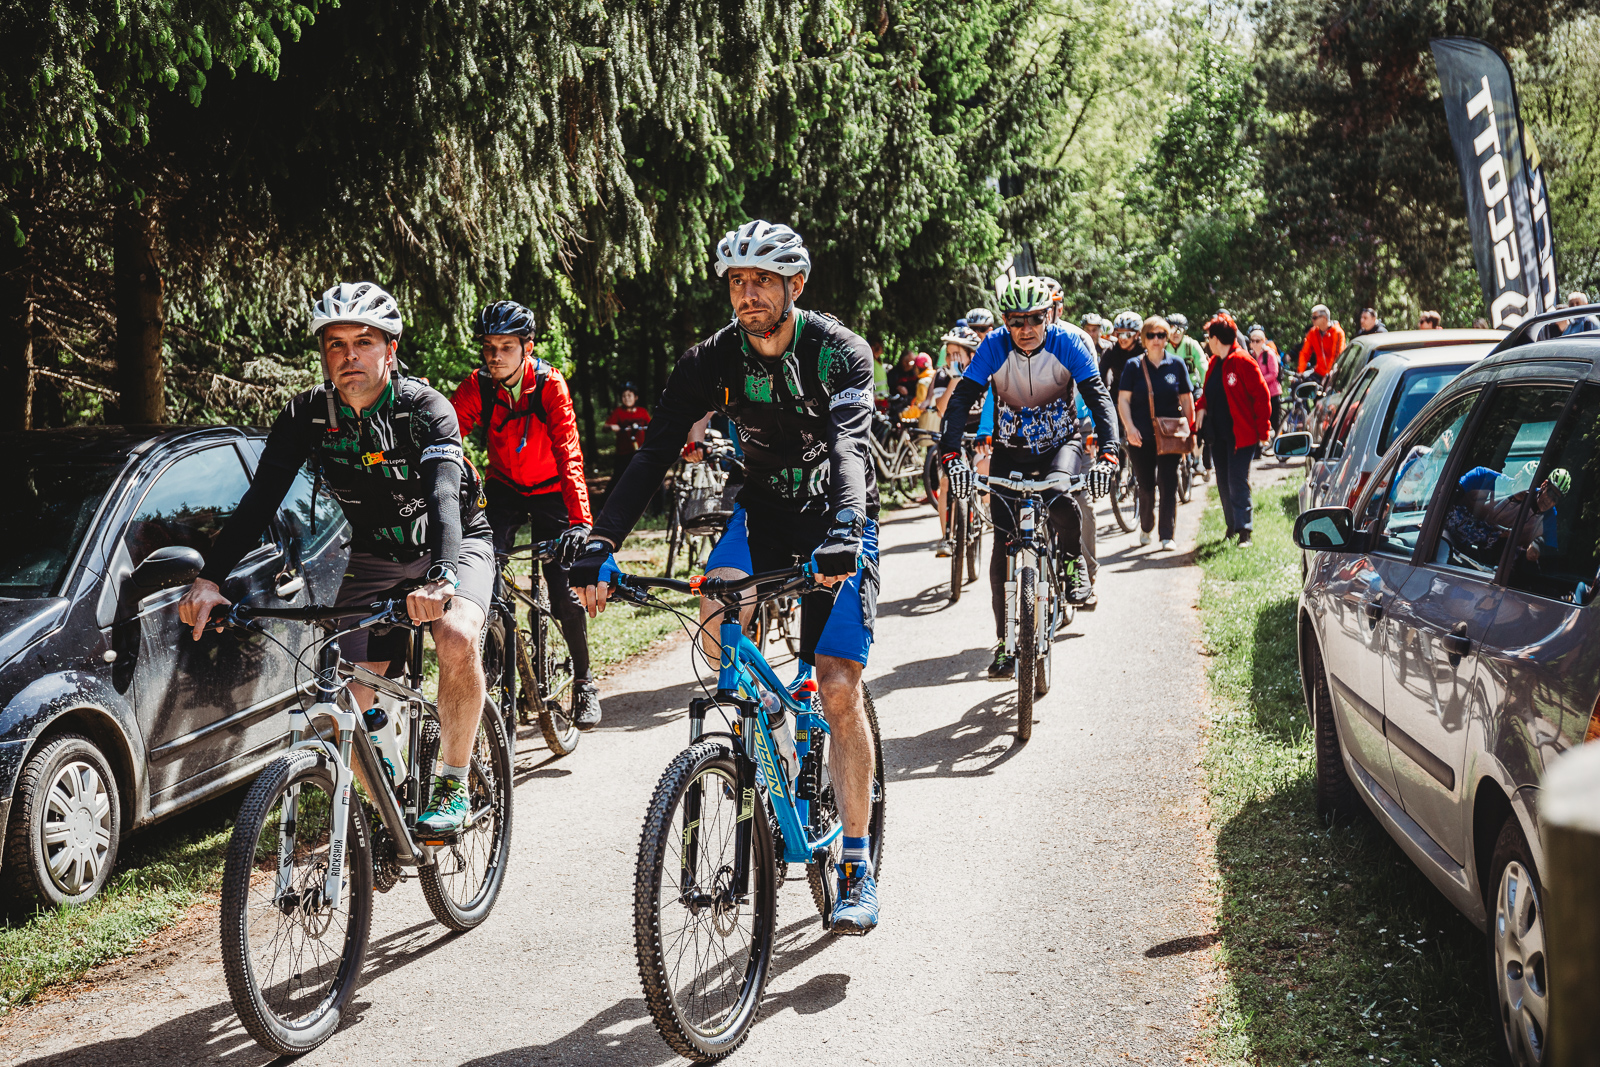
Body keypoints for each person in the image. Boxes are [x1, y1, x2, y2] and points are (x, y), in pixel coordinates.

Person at [567, 220, 883, 934]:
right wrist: (602, 541)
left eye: (762, 281)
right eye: (738, 282)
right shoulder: (710, 359)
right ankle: (765, 726)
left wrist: (844, 532)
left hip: (837, 516)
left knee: (835, 681)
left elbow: (850, 450)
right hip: (766, 511)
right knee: (715, 619)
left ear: (794, 286)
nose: (747, 295)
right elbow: (649, 457)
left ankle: (858, 864)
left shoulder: (839, 353)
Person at [176, 282, 498, 834]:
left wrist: (443, 579)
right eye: (335, 345)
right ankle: (392, 810)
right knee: (343, 708)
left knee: (458, 636)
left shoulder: (426, 410)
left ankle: (453, 780)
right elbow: (261, 500)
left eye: (364, 342)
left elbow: (445, 496)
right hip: (376, 553)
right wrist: (210, 579)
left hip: (455, 543)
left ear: (389, 350)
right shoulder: (308, 415)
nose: (349, 356)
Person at [939, 275, 1120, 676]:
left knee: (1059, 494)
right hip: (1010, 452)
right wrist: (952, 455)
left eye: (1034, 320)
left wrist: (1109, 453)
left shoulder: (1069, 344)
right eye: (1016, 321)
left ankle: (1073, 563)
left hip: (1061, 445)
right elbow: (961, 401)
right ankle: (1005, 642)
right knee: (1003, 545)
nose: (1025, 330)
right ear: (1005, 320)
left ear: (1049, 316)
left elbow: (1098, 398)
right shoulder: (992, 347)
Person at [450, 301, 603, 729]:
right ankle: (497, 671)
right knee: (485, 575)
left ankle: (585, 682)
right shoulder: (479, 386)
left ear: (527, 348)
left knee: (563, 591)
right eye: (489, 347)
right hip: (505, 489)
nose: (494, 356)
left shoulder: (550, 384)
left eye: (505, 347)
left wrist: (580, 522)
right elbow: (445, 434)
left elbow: (569, 452)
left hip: (553, 490)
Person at [1117, 316, 1195, 550]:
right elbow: (1123, 400)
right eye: (1151, 335)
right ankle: (1146, 525)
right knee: (1146, 485)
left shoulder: (1177, 364)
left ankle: (1166, 535)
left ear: (1167, 337)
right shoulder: (1133, 366)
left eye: (1162, 335)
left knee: (1168, 482)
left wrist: (1190, 429)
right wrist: (1129, 428)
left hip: (1170, 435)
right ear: (1144, 339)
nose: (1157, 340)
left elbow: (1186, 398)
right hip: (1141, 437)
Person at [1196, 313, 1272, 547]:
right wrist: (1200, 408)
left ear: (1216, 338)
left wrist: (1263, 432)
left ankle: (1244, 531)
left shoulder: (1242, 361)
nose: (1207, 341)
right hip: (1218, 436)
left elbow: (1262, 397)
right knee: (1223, 481)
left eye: (1209, 337)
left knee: (1237, 480)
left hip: (1242, 435)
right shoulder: (1214, 363)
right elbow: (1207, 394)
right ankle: (1231, 527)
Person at [932, 325, 992, 557]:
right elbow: (941, 410)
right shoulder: (943, 376)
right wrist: (955, 380)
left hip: (977, 434)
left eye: (956, 354)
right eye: (948, 354)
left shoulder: (985, 375)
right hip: (953, 434)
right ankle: (946, 536)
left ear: (971, 355)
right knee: (946, 483)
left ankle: (984, 506)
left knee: (985, 467)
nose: (950, 359)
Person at [1447, 466, 1568, 562]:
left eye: (1555, 499)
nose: (1549, 500)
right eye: (1550, 493)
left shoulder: (1548, 514)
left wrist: (1537, 544)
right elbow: (1447, 496)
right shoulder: (1484, 476)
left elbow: (1550, 550)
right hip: (1451, 537)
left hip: (1485, 559)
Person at [1100, 310, 1142, 410]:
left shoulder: (1145, 351)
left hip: (1141, 400)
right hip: (1117, 398)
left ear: (1137, 334)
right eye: (1119, 334)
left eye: (1127, 334)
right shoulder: (1111, 350)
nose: (1122, 338)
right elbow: (1099, 377)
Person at [1249, 324, 1284, 434]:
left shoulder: (1269, 354)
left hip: (1272, 393)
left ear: (1263, 341)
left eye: (1257, 341)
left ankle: (1280, 444)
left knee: (1275, 421)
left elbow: (1273, 374)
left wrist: (1259, 380)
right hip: (1259, 394)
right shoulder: (1251, 355)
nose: (1255, 343)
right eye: (1252, 341)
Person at [1297, 304, 1345, 380]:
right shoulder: (1313, 332)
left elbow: (1336, 356)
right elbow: (1304, 353)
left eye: (1315, 317)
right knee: (1297, 385)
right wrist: (1300, 372)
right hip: (1318, 372)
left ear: (1324, 318)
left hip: (1333, 375)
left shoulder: (1337, 332)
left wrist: (1328, 376)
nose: (1312, 320)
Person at [1165, 312, 1207, 389]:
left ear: (1184, 331)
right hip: (1168, 388)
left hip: (1191, 386)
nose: (1176, 334)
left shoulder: (1191, 345)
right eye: (1172, 329)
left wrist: (1204, 388)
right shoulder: (1163, 346)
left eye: (1179, 330)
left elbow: (1203, 367)